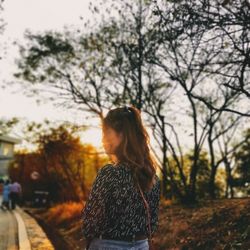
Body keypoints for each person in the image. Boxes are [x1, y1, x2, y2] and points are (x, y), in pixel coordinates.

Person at [81, 106, 161, 250]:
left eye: (106, 133)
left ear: (122, 135)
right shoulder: (152, 178)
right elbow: (153, 223)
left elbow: (90, 221)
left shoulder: (110, 173)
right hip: (141, 246)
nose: (103, 139)